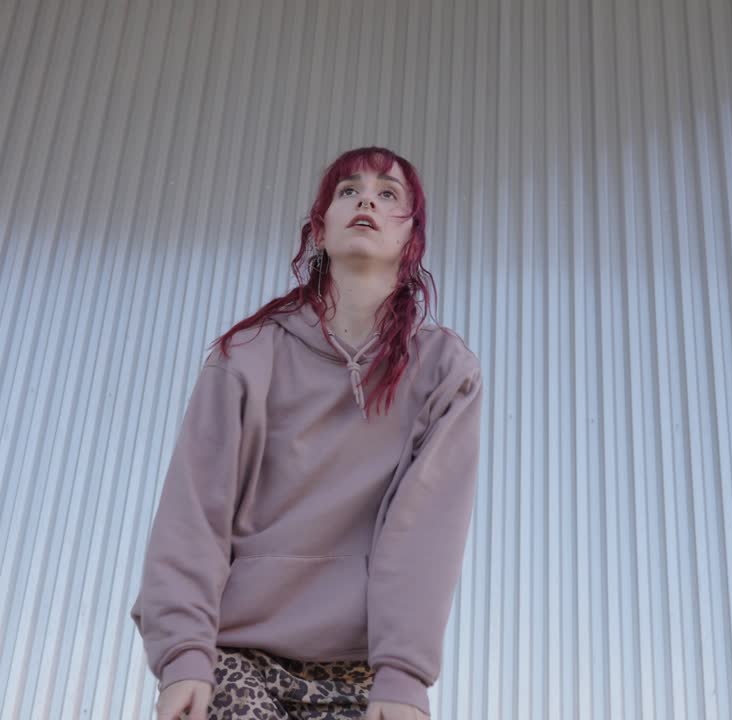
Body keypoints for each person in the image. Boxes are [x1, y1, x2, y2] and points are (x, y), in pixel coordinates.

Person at [130, 146, 483, 720]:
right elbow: (194, 513)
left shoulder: (444, 371)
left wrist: (403, 678)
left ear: (411, 237)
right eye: (348, 190)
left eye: (388, 193)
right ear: (319, 229)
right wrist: (184, 658)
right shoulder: (248, 355)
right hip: (235, 654)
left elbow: (425, 534)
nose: (367, 197)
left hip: (359, 669)